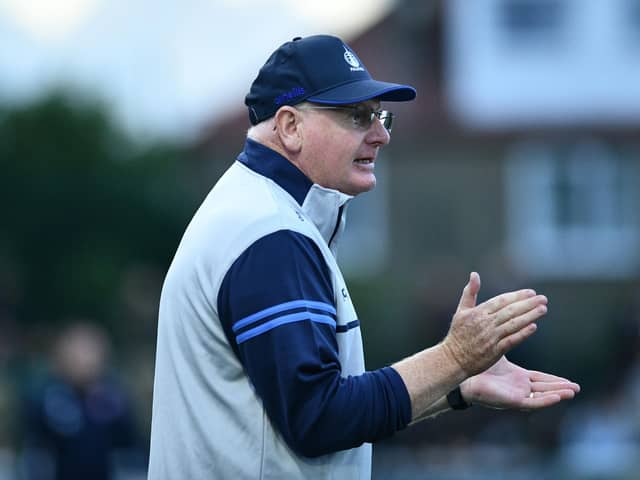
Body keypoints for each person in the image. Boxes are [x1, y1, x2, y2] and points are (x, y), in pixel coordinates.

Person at [147, 34, 580, 479]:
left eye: (379, 116)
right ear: (291, 126)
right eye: (357, 117)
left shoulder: (259, 215)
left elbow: (323, 409)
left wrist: (454, 382)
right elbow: (317, 418)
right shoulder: (269, 233)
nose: (381, 134)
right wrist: (453, 359)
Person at [21, 322, 142, 480]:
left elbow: (130, 446)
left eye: (90, 351)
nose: (84, 360)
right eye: (77, 351)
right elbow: (36, 448)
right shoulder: (47, 398)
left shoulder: (113, 399)